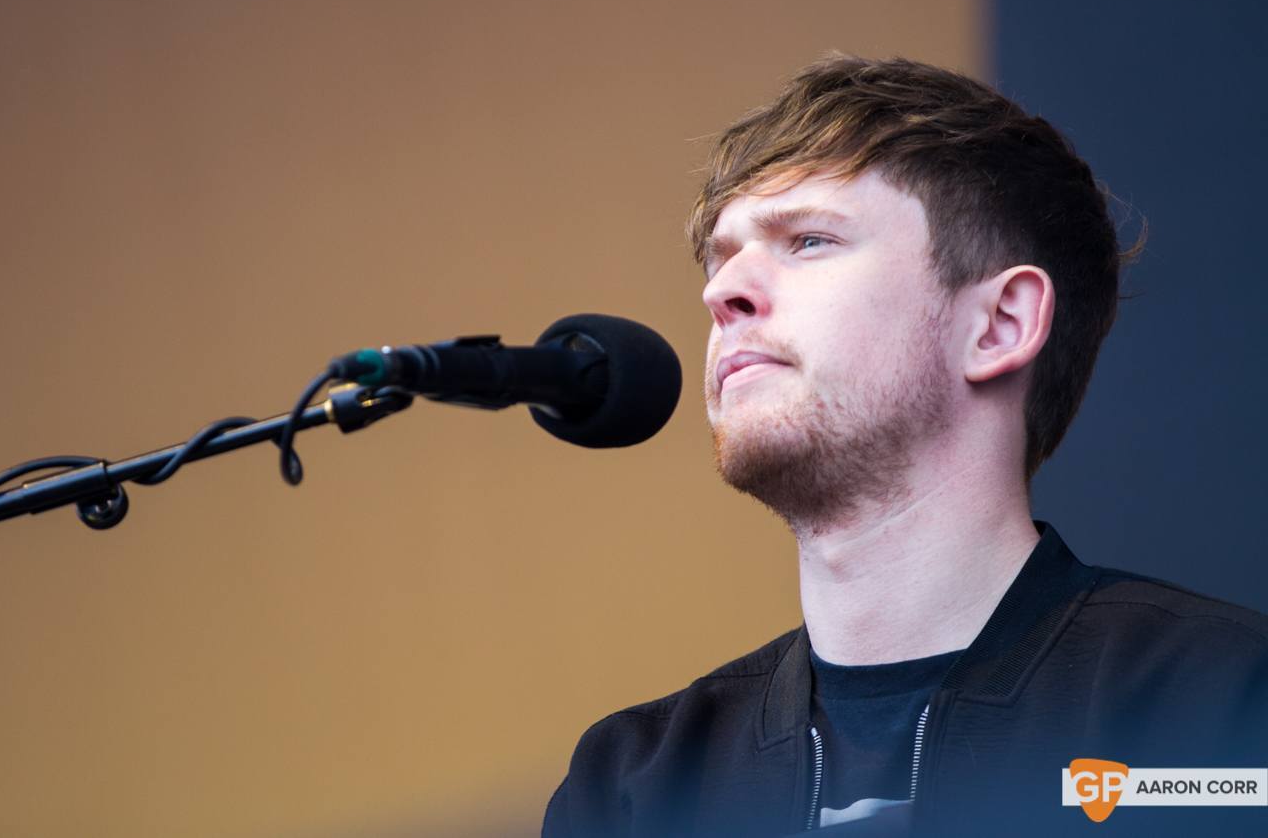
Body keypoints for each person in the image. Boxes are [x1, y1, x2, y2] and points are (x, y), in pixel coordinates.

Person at [541, 55, 1268, 837]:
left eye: (810, 239)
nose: (723, 292)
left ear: (1000, 324)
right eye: (721, 258)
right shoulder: (631, 784)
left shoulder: (1221, 704)